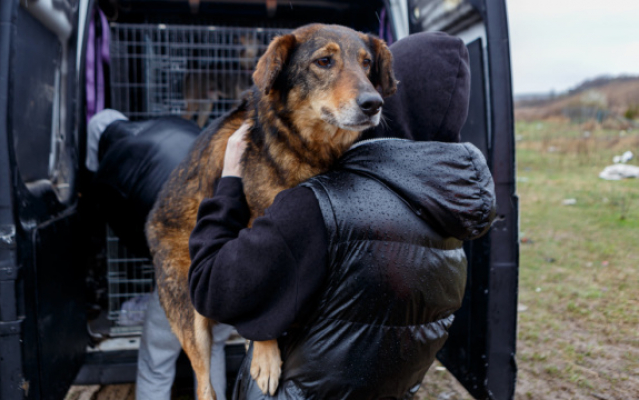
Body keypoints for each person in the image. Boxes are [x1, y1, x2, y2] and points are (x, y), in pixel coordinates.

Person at [186, 31, 496, 399]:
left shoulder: (318, 206)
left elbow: (212, 288)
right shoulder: (453, 223)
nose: (366, 88)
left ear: (394, 98)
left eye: (369, 72)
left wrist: (230, 183)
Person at [86, 110, 234, 400]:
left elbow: (134, 234)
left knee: (158, 361)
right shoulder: (169, 122)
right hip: (227, 255)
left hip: (181, 266)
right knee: (212, 348)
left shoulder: (108, 172)